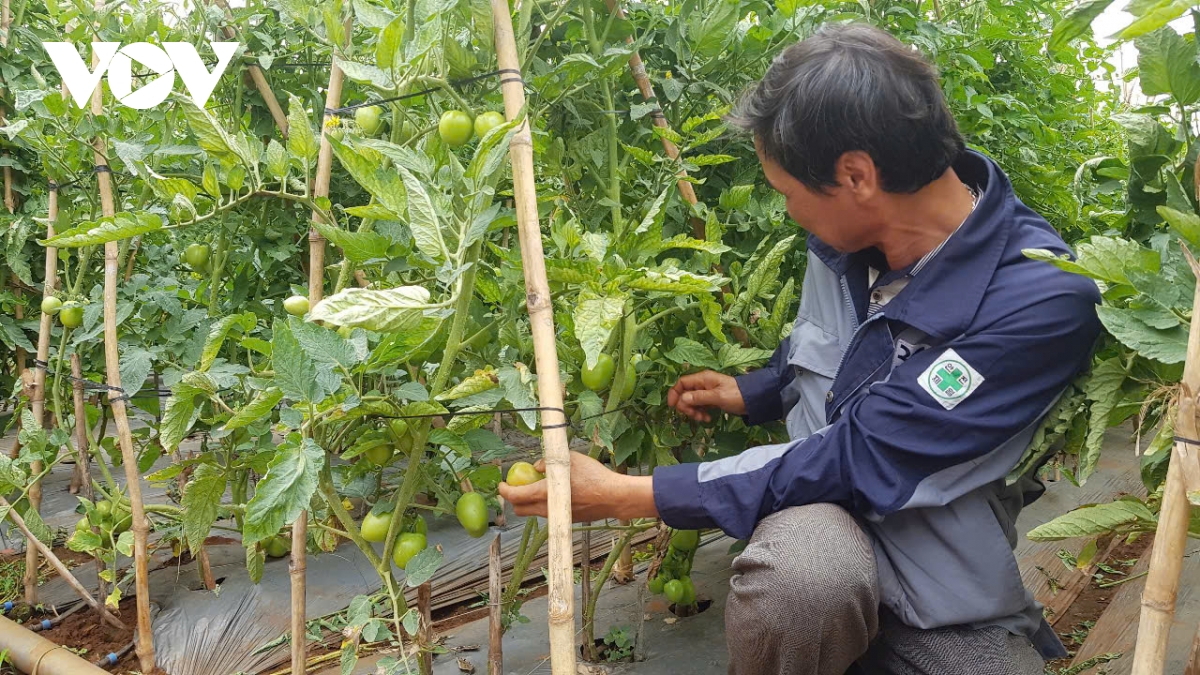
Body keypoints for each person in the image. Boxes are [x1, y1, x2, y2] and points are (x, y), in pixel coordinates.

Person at [499, 22, 1101, 675]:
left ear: (856, 175)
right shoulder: (849, 237)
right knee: (802, 576)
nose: (788, 211)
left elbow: (863, 453)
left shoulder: (1040, 299)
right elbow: (836, 349)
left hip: (933, 575)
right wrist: (754, 388)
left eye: (787, 192)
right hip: (816, 528)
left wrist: (628, 493)